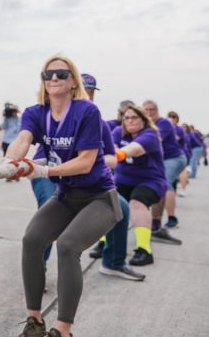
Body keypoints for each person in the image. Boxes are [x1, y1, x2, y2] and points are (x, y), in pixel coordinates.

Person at [4, 55, 121, 337]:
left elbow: (86, 162)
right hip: (67, 195)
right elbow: (23, 140)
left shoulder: (86, 112)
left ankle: (63, 329)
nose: (53, 79)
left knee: (68, 246)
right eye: (47, 75)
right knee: (32, 240)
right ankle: (35, 321)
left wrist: (43, 171)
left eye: (60, 74)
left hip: (99, 197)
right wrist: (10, 162)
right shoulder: (35, 112)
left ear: (72, 82)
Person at [80, 74, 144, 282]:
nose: (87, 96)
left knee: (120, 207)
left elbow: (112, 156)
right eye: (83, 90)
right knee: (46, 220)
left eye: (91, 92)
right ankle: (40, 268)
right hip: (57, 176)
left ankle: (113, 262)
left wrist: (103, 158)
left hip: (91, 179)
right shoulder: (57, 115)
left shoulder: (98, 120)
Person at [111, 104, 168, 267]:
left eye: (134, 117)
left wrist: (115, 154)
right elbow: (109, 146)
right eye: (126, 117)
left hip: (150, 181)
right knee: (106, 201)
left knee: (137, 202)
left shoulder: (150, 135)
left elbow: (133, 150)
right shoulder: (117, 132)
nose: (130, 120)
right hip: (123, 181)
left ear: (144, 120)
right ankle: (104, 243)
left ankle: (144, 250)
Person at [142, 100, 184, 241]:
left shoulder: (164, 123)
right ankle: (153, 222)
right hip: (160, 160)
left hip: (174, 158)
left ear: (157, 109)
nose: (149, 112)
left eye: (152, 109)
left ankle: (169, 219)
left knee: (164, 184)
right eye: (146, 109)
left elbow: (154, 140)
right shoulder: (144, 125)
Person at [1, 102, 21, 183]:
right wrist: (5, 117)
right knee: (7, 159)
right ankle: (8, 175)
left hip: (15, 142)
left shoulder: (20, 119)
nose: (14, 113)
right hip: (6, 141)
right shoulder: (7, 119)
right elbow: (3, 127)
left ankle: (16, 175)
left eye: (15, 111)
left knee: (16, 159)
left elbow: (22, 128)